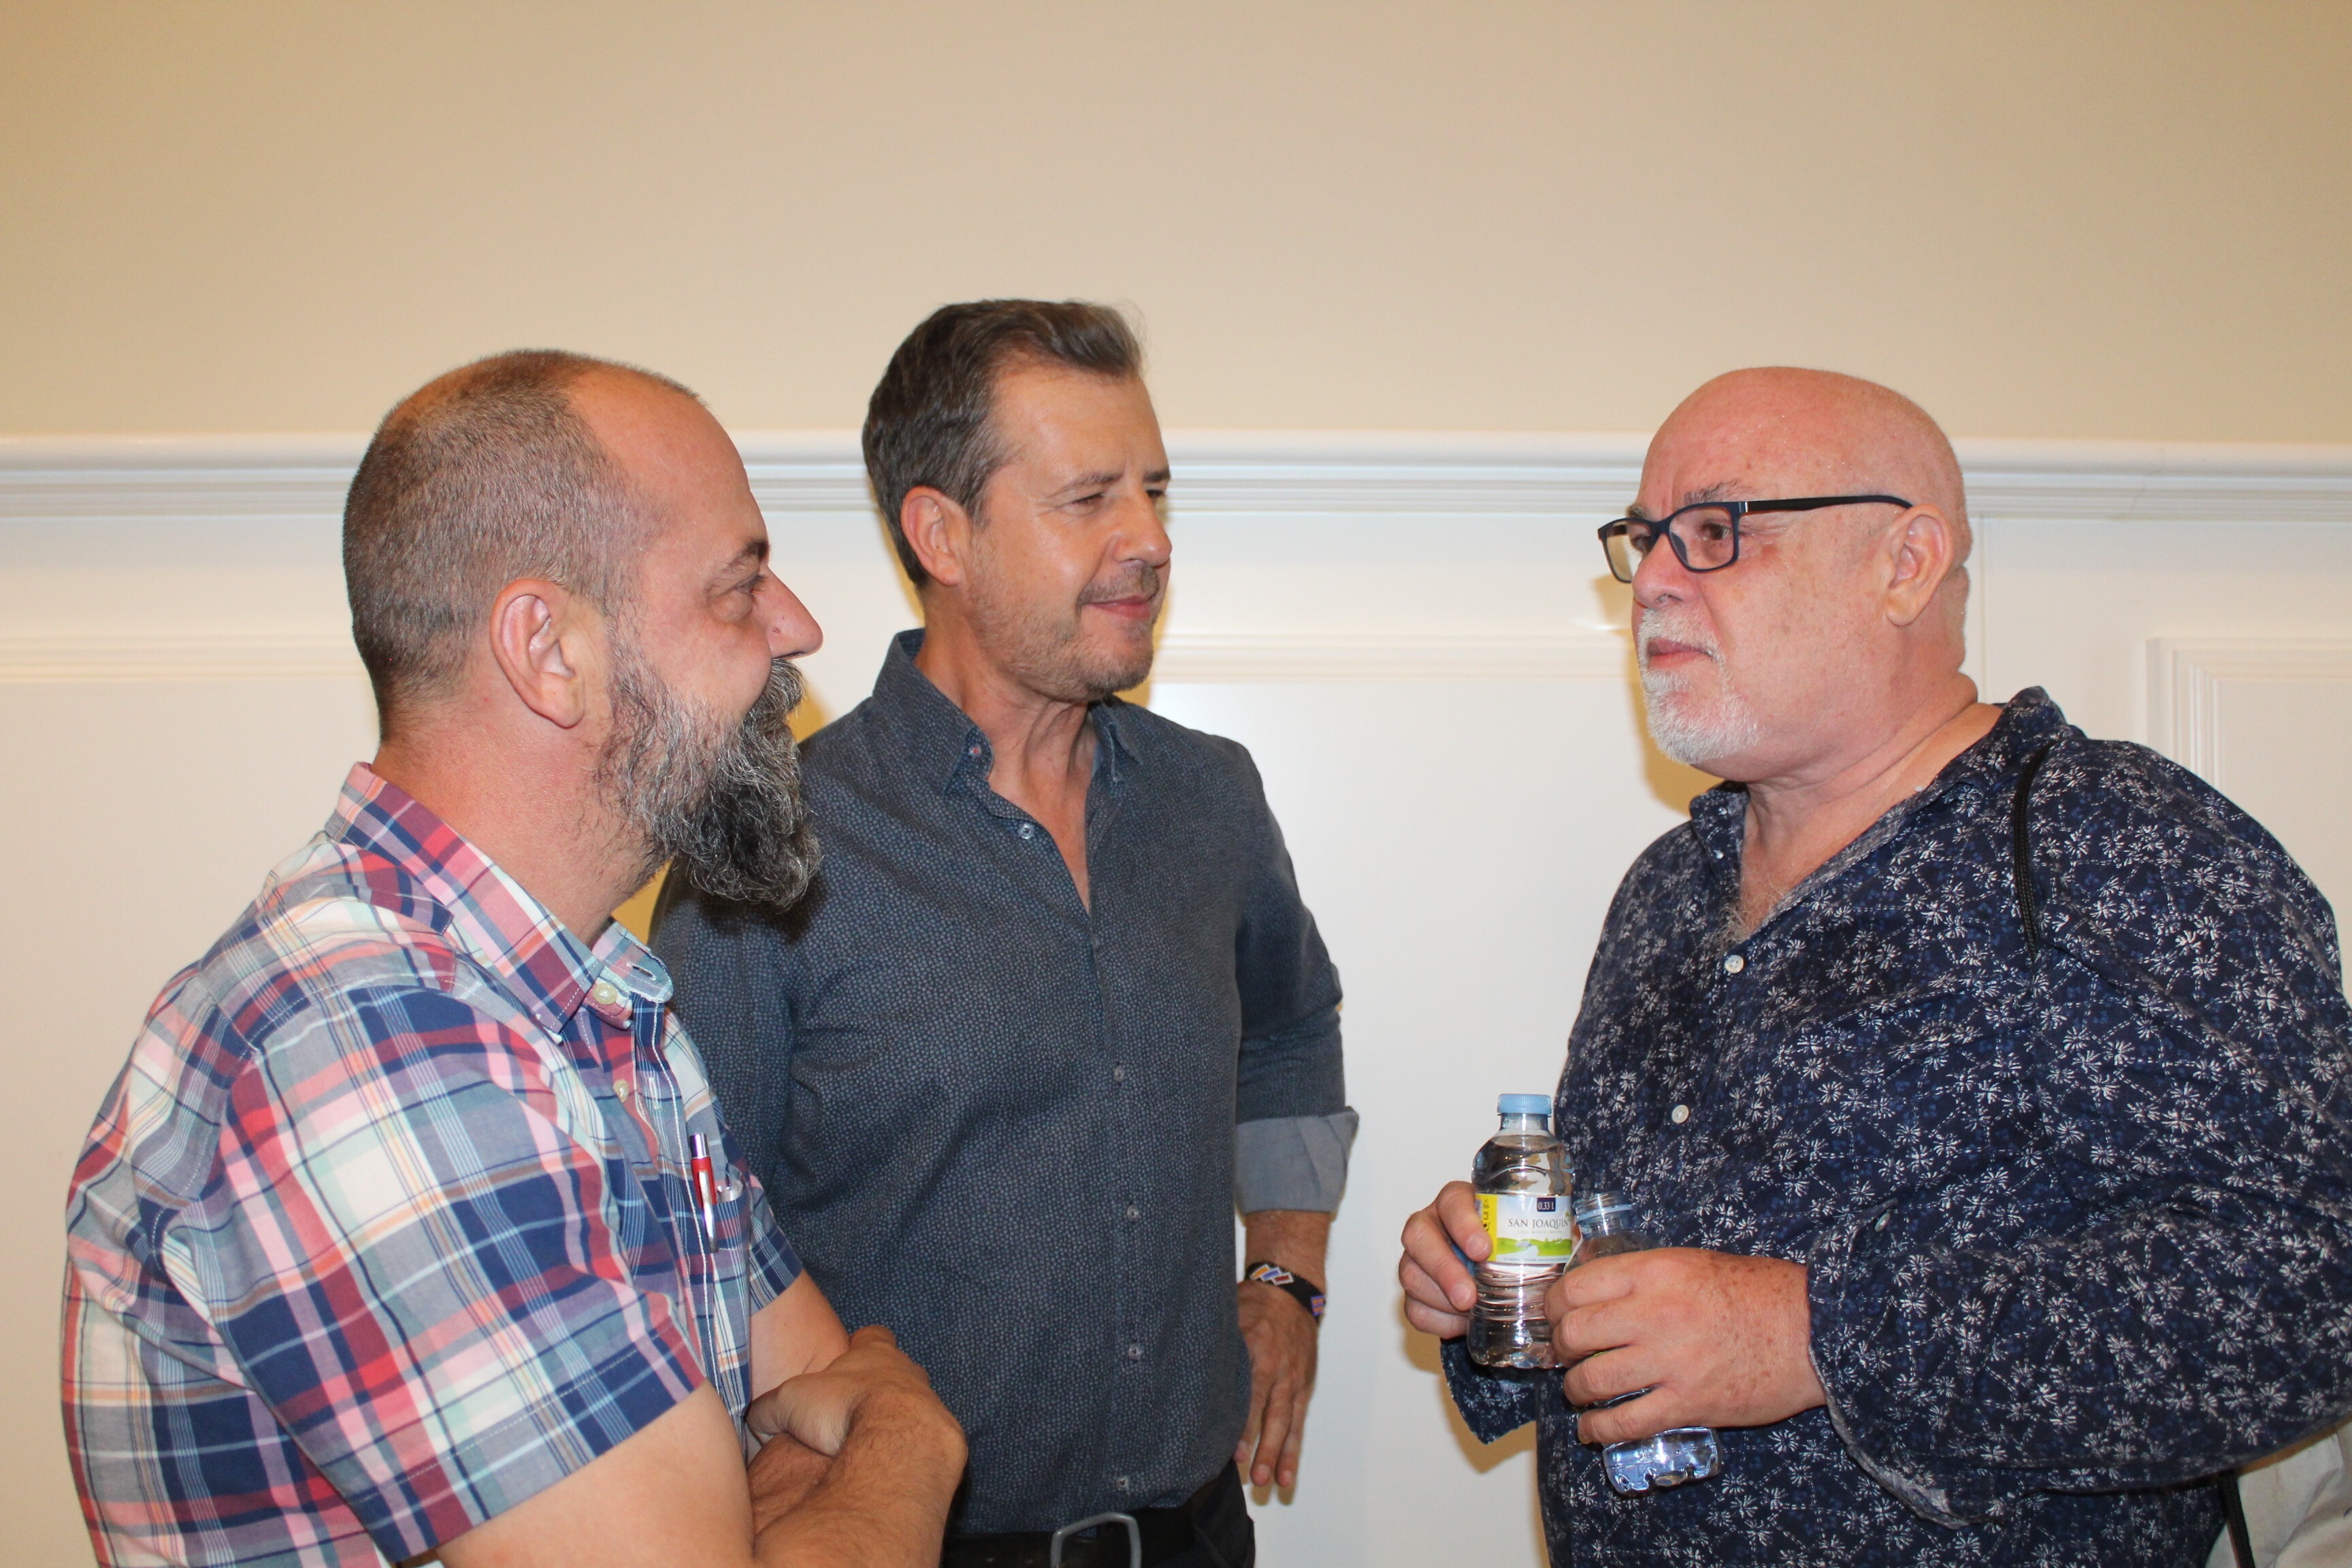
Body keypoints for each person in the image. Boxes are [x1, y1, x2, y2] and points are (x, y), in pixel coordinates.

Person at [1398, 367, 2352, 1565]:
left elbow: (2310, 1288)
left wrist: (1821, 1339)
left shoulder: (2116, 844)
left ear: (1906, 564)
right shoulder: (1669, 885)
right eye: (1644, 540)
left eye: (1715, 530)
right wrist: (1510, 1282)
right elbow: (1652, 1260)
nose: (1652, 582)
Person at [61, 350, 966, 1568]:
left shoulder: (603, 1003)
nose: (795, 627)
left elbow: (811, 1374)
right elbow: (847, 1410)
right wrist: (911, 1438)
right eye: (738, 586)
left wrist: (794, 1473)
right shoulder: (372, 1053)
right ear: (550, 650)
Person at [655, 299, 1352, 1566]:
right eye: (1088, 499)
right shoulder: (771, 851)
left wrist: (1286, 1275)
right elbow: (687, 1238)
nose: (1150, 541)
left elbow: (1292, 1030)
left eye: (1154, 492)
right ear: (943, 535)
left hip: (1200, 1536)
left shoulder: (1211, 798)